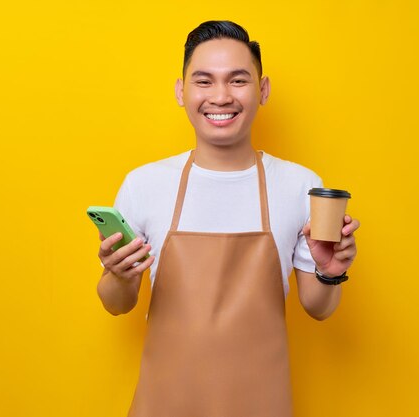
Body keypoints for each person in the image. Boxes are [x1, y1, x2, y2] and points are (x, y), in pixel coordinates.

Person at [96, 20, 360, 417]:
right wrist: (119, 276)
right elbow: (117, 305)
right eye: (203, 82)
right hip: (164, 405)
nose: (220, 97)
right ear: (181, 92)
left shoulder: (300, 185)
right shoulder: (143, 184)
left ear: (263, 89)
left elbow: (319, 307)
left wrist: (330, 271)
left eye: (238, 81)